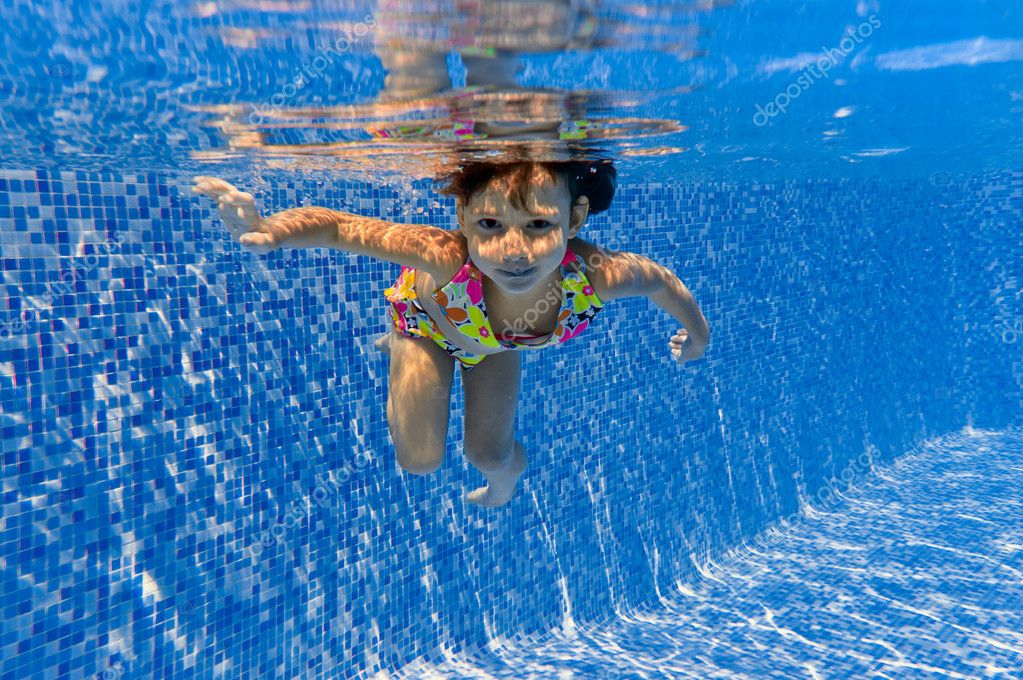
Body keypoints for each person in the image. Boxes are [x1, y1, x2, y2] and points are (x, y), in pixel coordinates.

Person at [191, 160, 710, 508]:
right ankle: (395, 344)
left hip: (498, 344)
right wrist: (273, 229)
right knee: (420, 460)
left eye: (537, 226)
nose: (513, 250)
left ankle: (506, 483)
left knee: (490, 455)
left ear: (575, 219)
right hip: (427, 328)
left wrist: (698, 338)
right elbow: (339, 228)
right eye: (489, 225)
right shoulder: (445, 257)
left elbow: (664, 285)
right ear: (462, 217)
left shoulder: (596, 274)